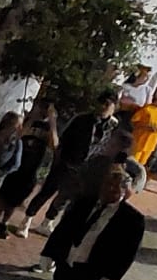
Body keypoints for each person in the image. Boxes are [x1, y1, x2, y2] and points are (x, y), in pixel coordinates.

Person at [42, 166, 146, 280]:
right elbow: (64, 228)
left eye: (115, 189)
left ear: (124, 192)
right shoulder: (85, 202)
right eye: (107, 186)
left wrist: (112, 277)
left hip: (93, 270)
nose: (109, 192)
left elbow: (128, 252)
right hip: (69, 260)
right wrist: (49, 253)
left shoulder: (132, 219)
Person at [26, 93, 119, 236]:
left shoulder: (111, 127)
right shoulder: (83, 120)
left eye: (107, 105)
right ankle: (27, 219)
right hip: (67, 162)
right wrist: (61, 158)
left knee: (65, 197)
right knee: (48, 191)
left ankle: (47, 221)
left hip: (84, 168)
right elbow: (65, 139)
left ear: (114, 107)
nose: (103, 107)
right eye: (101, 103)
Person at [0, 101, 55, 238]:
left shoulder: (49, 128)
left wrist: (53, 122)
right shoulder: (26, 121)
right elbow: (18, 136)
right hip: (15, 165)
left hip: (31, 170)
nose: (43, 111)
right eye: (41, 107)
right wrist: (31, 119)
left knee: (14, 200)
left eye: (46, 109)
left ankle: (3, 224)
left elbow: (54, 144)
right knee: (2, 195)